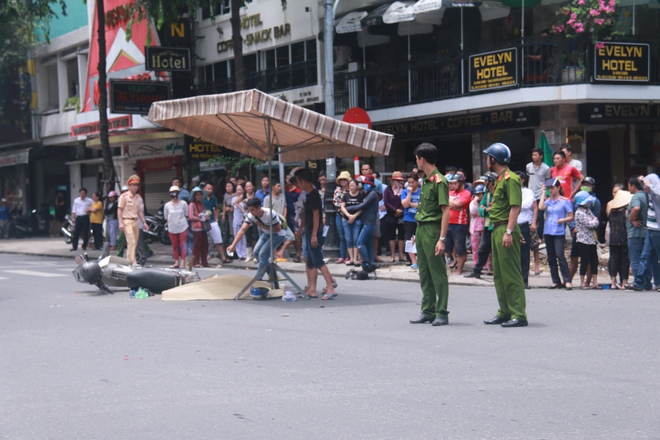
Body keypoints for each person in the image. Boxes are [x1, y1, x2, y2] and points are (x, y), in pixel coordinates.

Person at [482, 143, 528, 328]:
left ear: (493, 160)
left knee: (511, 274)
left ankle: (519, 314)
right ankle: (505, 311)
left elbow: (515, 207)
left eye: (488, 157)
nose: (487, 160)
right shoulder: (500, 179)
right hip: (497, 228)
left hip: (504, 229)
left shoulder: (511, 179)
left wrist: (510, 231)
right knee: (499, 275)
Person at [408, 143, 450, 327]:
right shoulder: (425, 180)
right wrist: (418, 231)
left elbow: (445, 210)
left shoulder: (439, 181)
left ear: (422, 159)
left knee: (437, 273)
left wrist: (441, 238)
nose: (416, 162)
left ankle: (441, 312)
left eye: (417, 158)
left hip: (433, 229)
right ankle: (428, 310)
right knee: (424, 272)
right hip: (422, 228)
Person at [294, 168, 336, 300]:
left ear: (303, 181)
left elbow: (316, 215)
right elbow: (307, 216)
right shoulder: (308, 195)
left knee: (318, 261)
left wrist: (313, 235)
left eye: (298, 182)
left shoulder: (313, 195)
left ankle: (330, 287)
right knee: (311, 262)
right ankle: (312, 288)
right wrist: (301, 229)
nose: (298, 185)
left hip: (314, 232)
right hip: (309, 231)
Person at [228, 198, 287, 281]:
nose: (251, 212)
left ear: (259, 207)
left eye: (252, 210)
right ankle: (273, 275)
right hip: (266, 234)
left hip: (278, 235)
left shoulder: (270, 214)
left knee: (263, 254)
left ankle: (257, 279)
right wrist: (233, 245)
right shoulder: (250, 216)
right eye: (249, 210)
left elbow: (278, 229)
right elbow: (242, 230)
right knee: (256, 253)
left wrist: (263, 226)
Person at [539, 178, 574, 289]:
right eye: (549, 188)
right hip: (548, 231)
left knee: (560, 255)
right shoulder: (548, 201)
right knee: (551, 257)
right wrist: (543, 193)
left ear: (558, 188)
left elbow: (571, 216)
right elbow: (540, 207)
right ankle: (555, 280)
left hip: (558, 231)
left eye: (552, 188)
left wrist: (562, 220)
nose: (551, 190)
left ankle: (567, 280)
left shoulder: (564, 201)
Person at [464, 172, 497, 279]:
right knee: (483, 249)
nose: (485, 183)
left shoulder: (498, 193)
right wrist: (487, 209)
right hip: (487, 225)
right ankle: (477, 270)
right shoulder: (487, 193)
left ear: (491, 182)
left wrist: (486, 210)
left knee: (496, 250)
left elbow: (497, 209)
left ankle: (496, 271)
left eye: (486, 181)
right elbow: (480, 209)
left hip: (497, 225)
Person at [346, 174, 380, 268]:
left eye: (367, 184)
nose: (365, 186)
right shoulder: (367, 193)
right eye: (364, 184)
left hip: (369, 222)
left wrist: (349, 208)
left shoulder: (372, 193)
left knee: (360, 243)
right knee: (368, 243)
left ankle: (366, 262)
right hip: (367, 221)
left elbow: (362, 205)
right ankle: (371, 263)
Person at [118, 175, 148, 264]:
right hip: (126, 220)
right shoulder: (124, 196)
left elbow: (140, 211)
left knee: (134, 242)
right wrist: (120, 223)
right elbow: (119, 210)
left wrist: (144, 222)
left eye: (137, 185)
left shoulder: (138, 197)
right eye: (133, 185)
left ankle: (129, 260)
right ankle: (132, 261)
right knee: (131, 241)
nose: (135, 187)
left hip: (135, 221)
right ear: (129, 186)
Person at [445, 173, 472, 274]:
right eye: (450, 184)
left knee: (460, 247)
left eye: (454, 184)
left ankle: (460, 269)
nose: (452, 186)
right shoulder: (450, 193)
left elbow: (458, 204)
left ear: (461, 183)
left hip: (460, 224)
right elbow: (441, 203)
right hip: (448, 223)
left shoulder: (466, 193)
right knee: (447, 247)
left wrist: (449, 204)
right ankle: (447, 266)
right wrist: (453, 206)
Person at [574, 194, 601, 289]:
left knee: (594, 261)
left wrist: (594, 220)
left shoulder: (588, 211)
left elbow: (596, 221)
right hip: (583, 240)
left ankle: (595, 282)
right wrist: (594, 220)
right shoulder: (579, 213)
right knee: (584, 261)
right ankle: (582, 282)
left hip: (591, 240)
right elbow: (591, 224)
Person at [516, 171, 537, 289]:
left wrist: (514, 204)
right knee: (513, 254)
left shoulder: (529, 192)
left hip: (524, 225)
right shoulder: (509, 190)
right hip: (512, 225)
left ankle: (524, 280)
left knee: (524, 254)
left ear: (523, 180)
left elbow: (528, 205)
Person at [606, 186, 630, 289]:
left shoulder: (611, 209)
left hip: (613, 237)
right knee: (625, 260)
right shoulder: (626, 210)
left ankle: (613, 282)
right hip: (624, 237)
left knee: (613, 259)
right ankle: (624, 282)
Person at [626, 177, 647, 290]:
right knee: (645, 259)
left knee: (635, 259)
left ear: (633, 186)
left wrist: (630, 218)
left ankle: (638, 282)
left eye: (628, 185)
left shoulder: (636, 196)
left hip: (636, 232)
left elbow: (636, 208)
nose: (628, 188)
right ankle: (646, 282)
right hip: (646, 231)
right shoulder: (647, 196)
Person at [526, 147, 551, 239]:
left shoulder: (546, 168)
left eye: (536, 155)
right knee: (531, 216)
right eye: (532, 155)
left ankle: (540, 237)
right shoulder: (528, 166)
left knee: (540, 216)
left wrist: (546, 194)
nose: (534, 157)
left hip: (541, 195)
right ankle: (531, 236)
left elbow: (548, 181)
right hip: (531, 194)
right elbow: (529, 178)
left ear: (541, 156)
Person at [203, 182, 231, 265]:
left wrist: (216, 219)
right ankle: (205, 257)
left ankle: (223, 257)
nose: (210, 190)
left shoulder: (214, 198)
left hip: (212, 221)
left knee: (218, 239)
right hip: (202, 221)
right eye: (208, 189)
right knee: (205, 241)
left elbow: (216, 208)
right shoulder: (201, 198)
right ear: (204, 189)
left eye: (211, 189)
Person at [383, 171, 406, 263]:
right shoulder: (388, 190)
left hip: (402, 214)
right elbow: (386, 202)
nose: (397, 182)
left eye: (399, 180)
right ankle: (392, 256)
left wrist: (400, 210)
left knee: (401, 236)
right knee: (391, 236)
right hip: (391, 214)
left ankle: (401, 255)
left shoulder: (404, 190)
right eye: (395, 180)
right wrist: (394, 210)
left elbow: (406, 200)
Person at [164, 185, 189, 269]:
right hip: (172, 228)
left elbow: (186, 214)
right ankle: (176, 262)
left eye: (176, 193)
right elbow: (166, 216)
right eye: (172, 193)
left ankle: (182, 262)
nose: (174, 195)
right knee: (175, 245)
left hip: (182, 226)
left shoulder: (183, 203)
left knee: (183, 244)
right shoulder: (167, 205)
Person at [340, 179, 364, 266]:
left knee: (355, 239)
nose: (351, 187)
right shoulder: (345, 195)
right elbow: (342, 207)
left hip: (357, 219)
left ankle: (355, 258)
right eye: (350, 185)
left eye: (353, 185)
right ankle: (351, 258)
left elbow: (361, 208)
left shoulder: (360, 195)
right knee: (348, 239)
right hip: (346, 219)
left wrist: (354, 216)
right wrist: (349, 215)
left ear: (357, 186)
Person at [401, 172, 421, 269]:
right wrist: (409, 193)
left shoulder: (421, 191)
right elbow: (405, 205)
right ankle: (413, 260)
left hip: (420, 218)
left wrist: (411, 204)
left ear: (417, 181)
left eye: (412, 182)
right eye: (409, 182)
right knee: (409, 240)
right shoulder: (405, 192)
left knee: (419, 239)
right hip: (409, 218)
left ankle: (420, 259)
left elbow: (422, 206)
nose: (411, 184)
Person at [332, 171, 351, 263]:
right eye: (341, 180)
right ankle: (342, 255)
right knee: (342, 237)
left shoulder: (351, 191)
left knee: (349, 236)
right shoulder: (337, 191)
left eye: (345, 180)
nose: (343, 182)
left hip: (350, 215)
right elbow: (336, 203)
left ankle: (349, 256)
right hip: (340, 215)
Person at [188, 187, 209, 268]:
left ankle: (204, 262)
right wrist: (200, 218)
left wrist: (206, 216)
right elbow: (191, 217)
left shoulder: (202, 204)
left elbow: (204, 213)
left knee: (205, 245)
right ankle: (196, 262)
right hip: (196, 228)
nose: (199, 196)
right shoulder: (191, 204)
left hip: (203, 227)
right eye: (197, 195)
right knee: (197, 245)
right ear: (194, 196)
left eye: (200, 195)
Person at [468, 184, 487, 271]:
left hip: (485, 228)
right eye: (476, 194)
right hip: (475, 229)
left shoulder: (487, 202)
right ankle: (476, 267)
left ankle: (488, 267)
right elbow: (473, 213)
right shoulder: (473, 203)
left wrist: (482, 212)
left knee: (487, 249)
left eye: (480, 194)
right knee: (475, 249)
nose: (478, 196)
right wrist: (475, 201)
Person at [231, 184, 247, 260]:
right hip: (236, 220)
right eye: (237, 190)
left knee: (244, 237)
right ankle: (239, 254)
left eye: (240, 190)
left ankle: (245, 254)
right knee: (237, 237)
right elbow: (233, 209)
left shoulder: (245, 198)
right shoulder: (233, 199)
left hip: (244, 220)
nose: (239, 191)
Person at [221, 181, 235, 245]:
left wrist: (233, 208)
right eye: (227, 186)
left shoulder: (236, 194)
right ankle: (233, 246)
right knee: (232, 232)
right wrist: (223, 214)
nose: (228, 188)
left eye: (230, 186)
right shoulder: (226, 196)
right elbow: (224, 205)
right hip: (230, 216)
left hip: (236, 215)